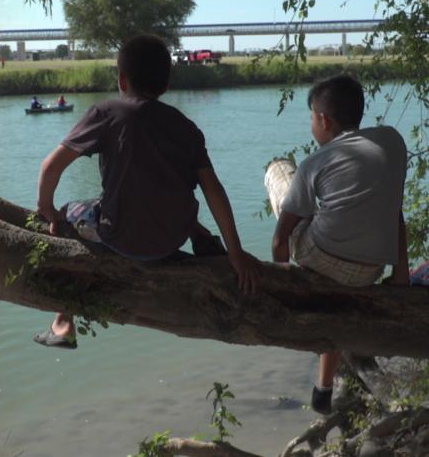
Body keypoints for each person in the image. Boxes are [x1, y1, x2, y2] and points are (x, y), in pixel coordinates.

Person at [33, 34, 259, 349]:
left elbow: (50, 168)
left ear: (121, 80)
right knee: (169, 191)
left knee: (67, 212)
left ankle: (62, 322)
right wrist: (236, 252)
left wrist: (46, 207)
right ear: (166, 85)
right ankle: (202, 237)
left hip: (120, 239)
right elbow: (213, 191)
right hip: (170, 240)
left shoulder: (107, 113)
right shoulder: (186, 127)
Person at [270, 74, 408, 415]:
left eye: (310, 118)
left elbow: (280, 238)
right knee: (363, 209)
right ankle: (323, 389)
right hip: (371, 267)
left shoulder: (313, 163)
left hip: (322, 258)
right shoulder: (391, 141)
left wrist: (284, 284)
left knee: (283, 189)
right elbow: (395, 212)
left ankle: (274, 174)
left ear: (323, 120)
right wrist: (400, 273)